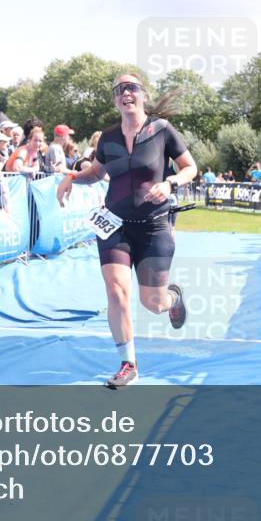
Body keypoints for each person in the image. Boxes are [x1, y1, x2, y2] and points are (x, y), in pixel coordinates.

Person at [56, 73, 197, 389]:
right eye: (119, 90)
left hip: (154, 227)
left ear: (143, 95)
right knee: (117, 291)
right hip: (114, 226)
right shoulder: (108, 138)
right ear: (115, 100)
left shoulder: (162, 130)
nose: (125, 93)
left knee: (153, 303)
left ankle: (172, 299)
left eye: (131, 87)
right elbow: (96, 173)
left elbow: (191, 167)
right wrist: (72, 177)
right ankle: (128, 364)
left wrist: (170, 182)